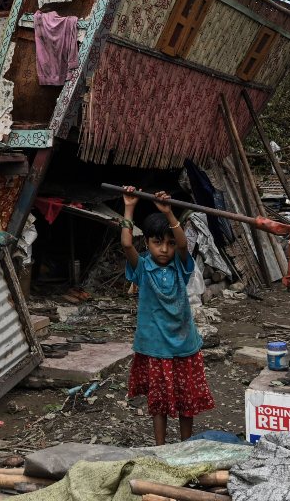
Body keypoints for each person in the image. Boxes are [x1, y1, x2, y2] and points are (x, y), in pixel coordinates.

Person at [120, 186, 215, 444]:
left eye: (169, 243)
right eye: (156, 242)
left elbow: (183, 243)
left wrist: (169, 213)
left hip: (184, 344)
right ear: (147, 243)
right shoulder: (141, 268)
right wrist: (129, 206)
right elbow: (126, 243)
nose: (164, 249)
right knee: (159, 402)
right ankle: (160, 448)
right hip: (155, 347)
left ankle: (185, 446)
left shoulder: (180, 265)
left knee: (187, 401)